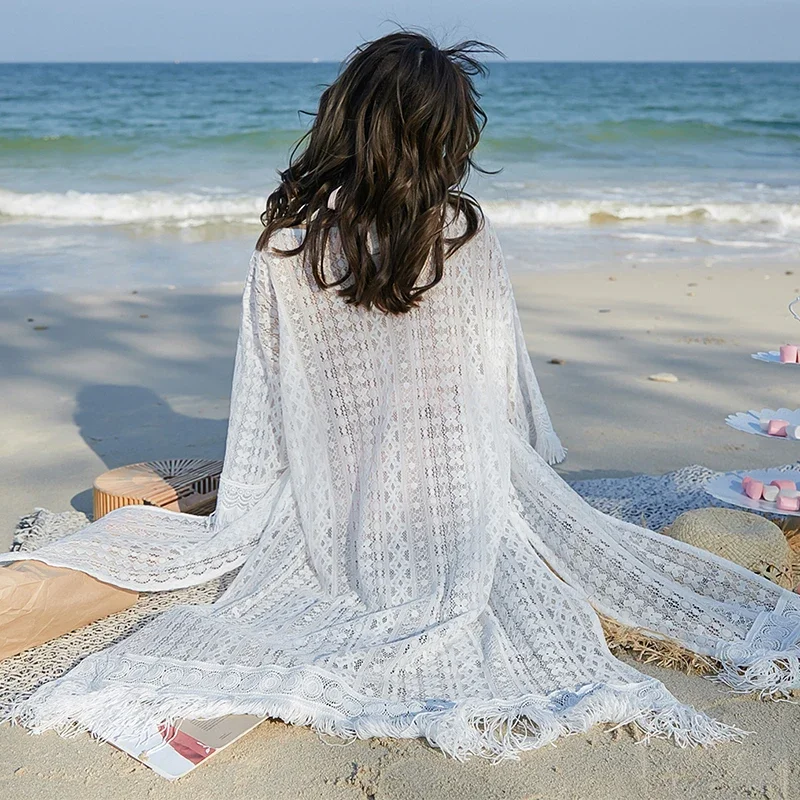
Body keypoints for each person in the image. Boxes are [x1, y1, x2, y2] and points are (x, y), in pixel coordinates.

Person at [3, 31, 799, 762]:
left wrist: (253, 500)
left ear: (343, 118)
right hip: (461, 493)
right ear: (445, 135)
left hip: (333, 499)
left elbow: (265, 409)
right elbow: (499, 393)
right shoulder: (463, 234)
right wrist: (515, 475)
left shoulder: (287, 245)